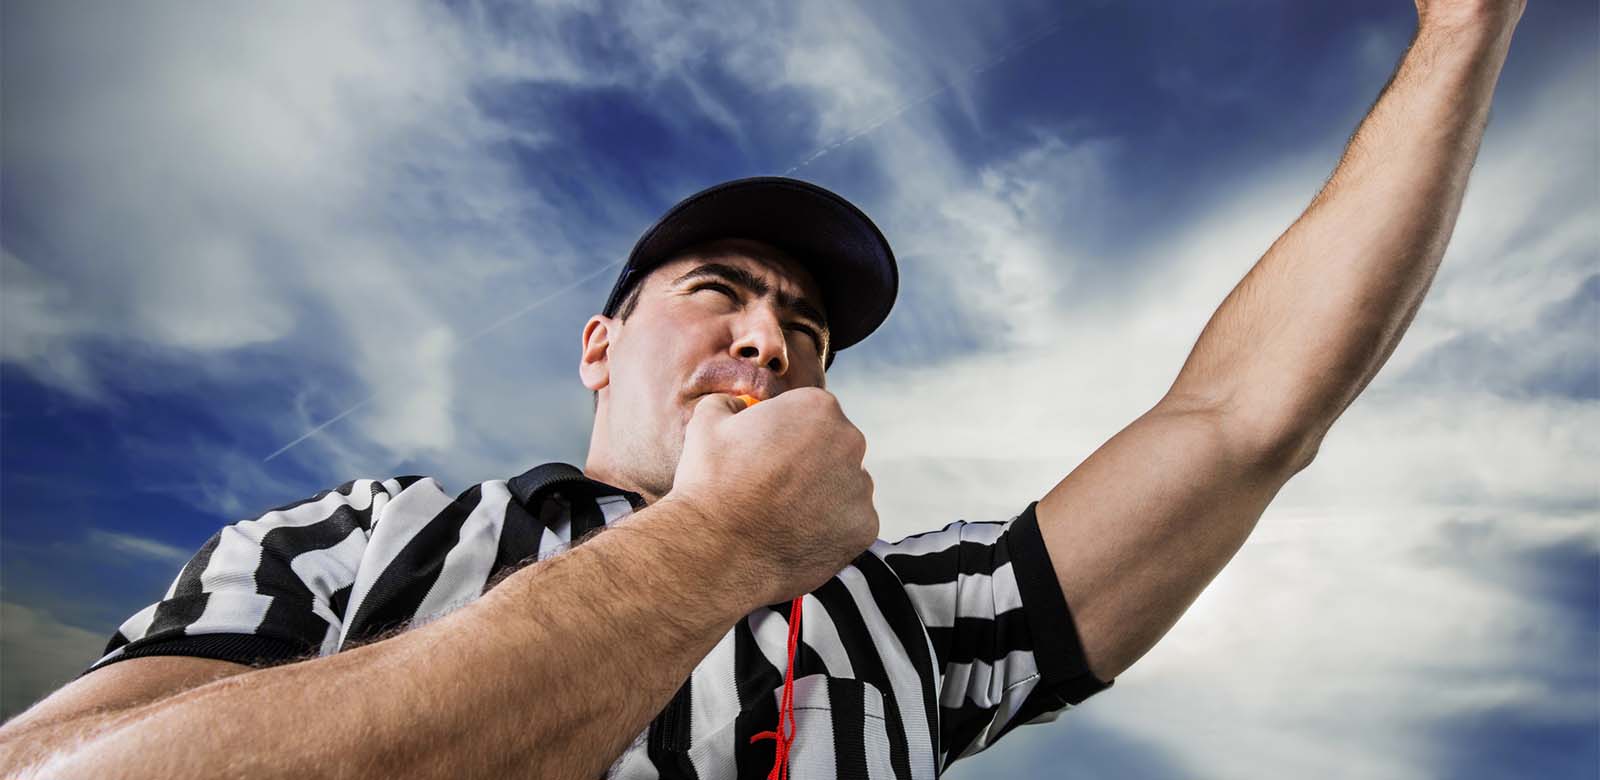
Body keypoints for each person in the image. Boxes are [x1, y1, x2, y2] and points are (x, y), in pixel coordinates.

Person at [0, 1, 1527, 777]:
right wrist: (715, 550)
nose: (770, 337)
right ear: (599, 346)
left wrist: (1468, 32)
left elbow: (1241, 420)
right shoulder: (356, 539)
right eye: (719, 291)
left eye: (806, 324)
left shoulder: (919, 621)